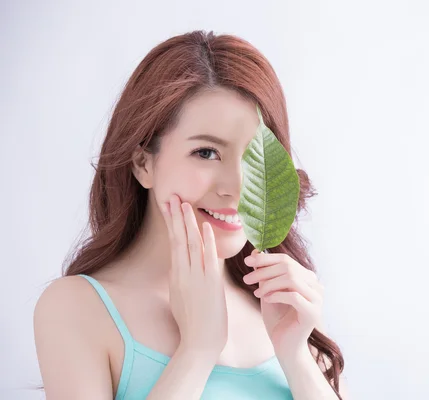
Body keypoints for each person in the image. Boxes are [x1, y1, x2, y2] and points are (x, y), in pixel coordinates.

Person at [33, 30, 349, 399]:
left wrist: (294, 353)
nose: (236, 186)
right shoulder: (76, 309)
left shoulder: (284, 304)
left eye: (255, 157)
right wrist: (197, 351)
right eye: (206, 153)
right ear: (143, 163)